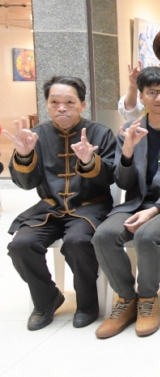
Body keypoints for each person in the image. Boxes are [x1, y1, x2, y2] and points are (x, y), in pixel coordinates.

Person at [92, 67, 160, 338]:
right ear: (141, 96)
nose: (159, 98)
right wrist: (127, 151)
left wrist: (153, 211)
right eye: (152, 92)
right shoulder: (130, 129)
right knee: (103, 236)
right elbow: (124, 183)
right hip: (135, 203)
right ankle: (127, 299)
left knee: (146, 235)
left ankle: (148, 300)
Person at [4, 76, 116, 330]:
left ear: (82, 104)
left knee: (78, 242)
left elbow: (111, 176)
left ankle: (87, 303)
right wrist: (24, 155)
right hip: (49, 207)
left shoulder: (100, 133)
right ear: (47, 104)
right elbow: (25, 183)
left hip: (90, 206)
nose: (61, 107)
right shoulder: (35, 135)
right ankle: (46, 299)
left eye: (69, 101)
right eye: (54, 102)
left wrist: (89, 161)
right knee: (21, 245)